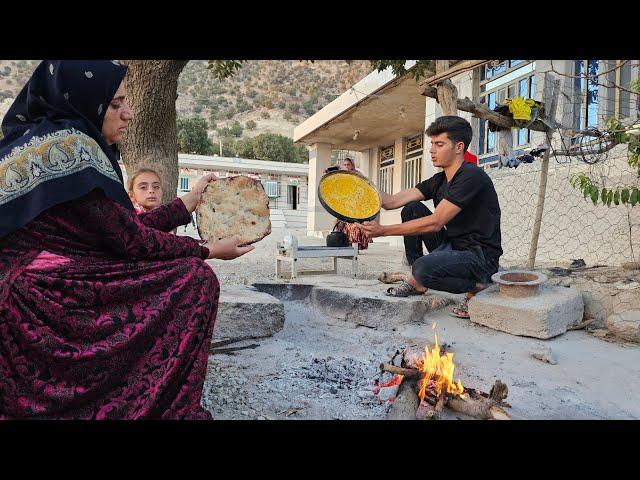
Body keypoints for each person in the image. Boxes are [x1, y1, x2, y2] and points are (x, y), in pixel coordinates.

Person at [0, 60, 253, 419]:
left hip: (34, 283)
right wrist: (207, 250)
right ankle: (150, 402)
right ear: (87, 101)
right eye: (116, 104)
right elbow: (131, 241)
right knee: (196, 278)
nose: (129, 114)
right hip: (41, 295)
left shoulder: (50, 140)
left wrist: (187, 203)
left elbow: (117, 229)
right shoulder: (74, 151)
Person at [357, 116, 502, 319]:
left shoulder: (471, 176)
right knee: (412, 208)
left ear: (459, 147)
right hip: (453, 246)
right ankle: (418, 282)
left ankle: (478, 287)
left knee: (423, 268)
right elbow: (391, 201)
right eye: (432, 144)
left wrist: (383, 230)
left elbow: (436, 222)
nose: (432, 150)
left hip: (480, 256)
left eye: (439, 144)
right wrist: (360, 183)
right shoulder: (440, 179)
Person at [332, 157, 372, 251]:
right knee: (342, 224)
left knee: (354, 225)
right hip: (344, 203)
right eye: (345, 165)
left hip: (356, 203)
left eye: (348, 164)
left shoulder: (357, 174)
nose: (346, 166)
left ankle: (355, 247)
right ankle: (346, 245)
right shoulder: (342, 174)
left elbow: (364, 186)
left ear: (352, 165)